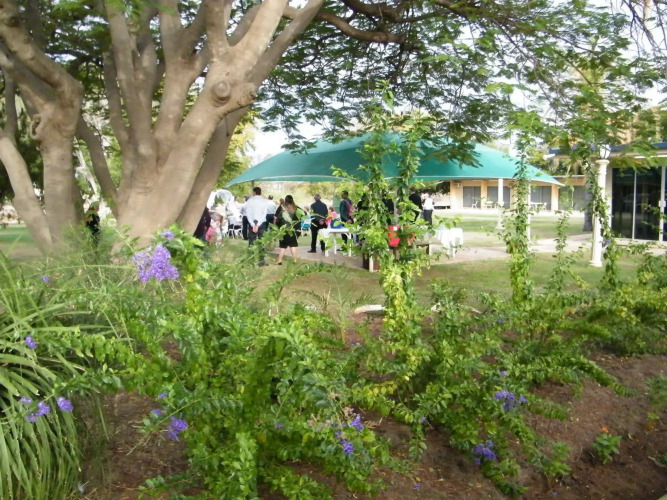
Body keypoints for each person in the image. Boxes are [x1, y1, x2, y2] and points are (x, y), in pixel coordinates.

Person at [275, 195, 305, 265]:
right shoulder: (296, 208)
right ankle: (295, 260)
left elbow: (277, 218)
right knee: (293, 245)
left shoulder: (282, 207)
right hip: (292, 229)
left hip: (284, 229)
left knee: (283, 246)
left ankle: (279, 260)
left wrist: (278, 227)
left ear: (285, 200)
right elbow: (303, 214)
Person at [245, 187, 270, 266]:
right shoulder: (264, 201)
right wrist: (258, 224)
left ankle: (250, 260)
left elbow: (248, 213)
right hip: (261, 222)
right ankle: (261, 261)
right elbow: (264, 214)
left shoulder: (249, 201)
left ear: (254, 192)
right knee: (262, 242)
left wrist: (253, 224)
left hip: (252, 221)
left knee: (251, 242)